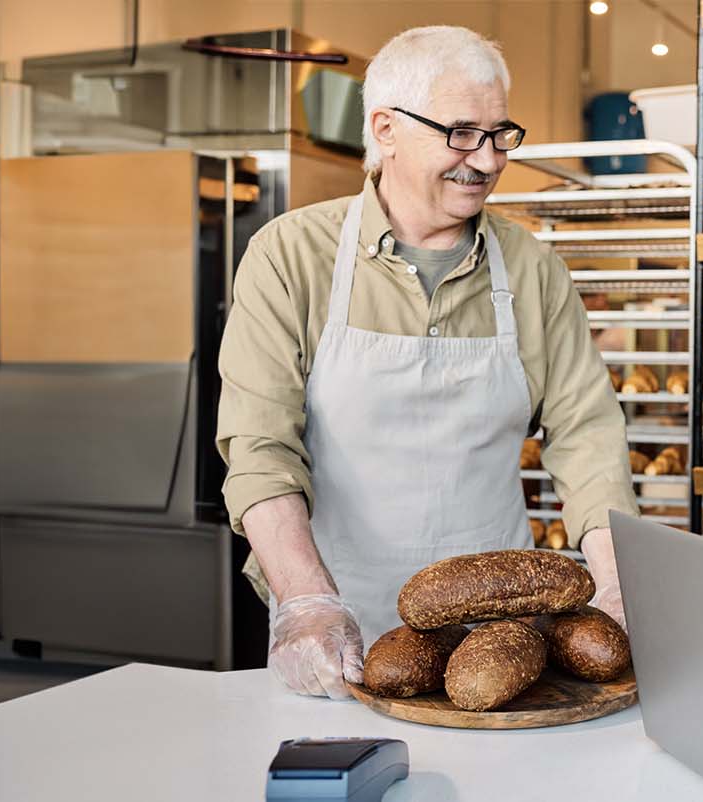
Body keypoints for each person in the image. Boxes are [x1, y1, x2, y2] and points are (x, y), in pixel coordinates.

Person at [216, 26, 636, 699]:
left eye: (501, 134)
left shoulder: (531, 269)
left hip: (500, 635)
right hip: (336, 624)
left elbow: (588, 435)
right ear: (385, 129)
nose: (490, 159)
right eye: (463, 132)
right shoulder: (291, 257)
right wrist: (305, 601)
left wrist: (616, 580)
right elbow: (260, 447)